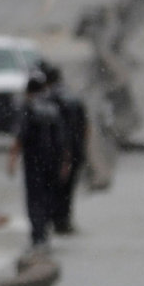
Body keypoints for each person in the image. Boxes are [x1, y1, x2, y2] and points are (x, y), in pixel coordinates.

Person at [13, 64, 75, 252]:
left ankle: (38, 236)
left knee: (35, 200)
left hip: (34, 164)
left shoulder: (29, 108)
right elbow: (63, 139)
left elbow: (21, 137)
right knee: (48, 197)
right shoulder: (53, 108)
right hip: (53, 162)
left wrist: (11, 160)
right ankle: (45, 233)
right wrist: (65, 163)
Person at [48, 61, 91, 236]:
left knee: (52, 187)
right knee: (68, 188)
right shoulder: (74, 98)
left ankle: (53, 220)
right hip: (75, 149)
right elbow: (86, 127)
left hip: (53, 151)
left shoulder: (47, 99)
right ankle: (63, 220)